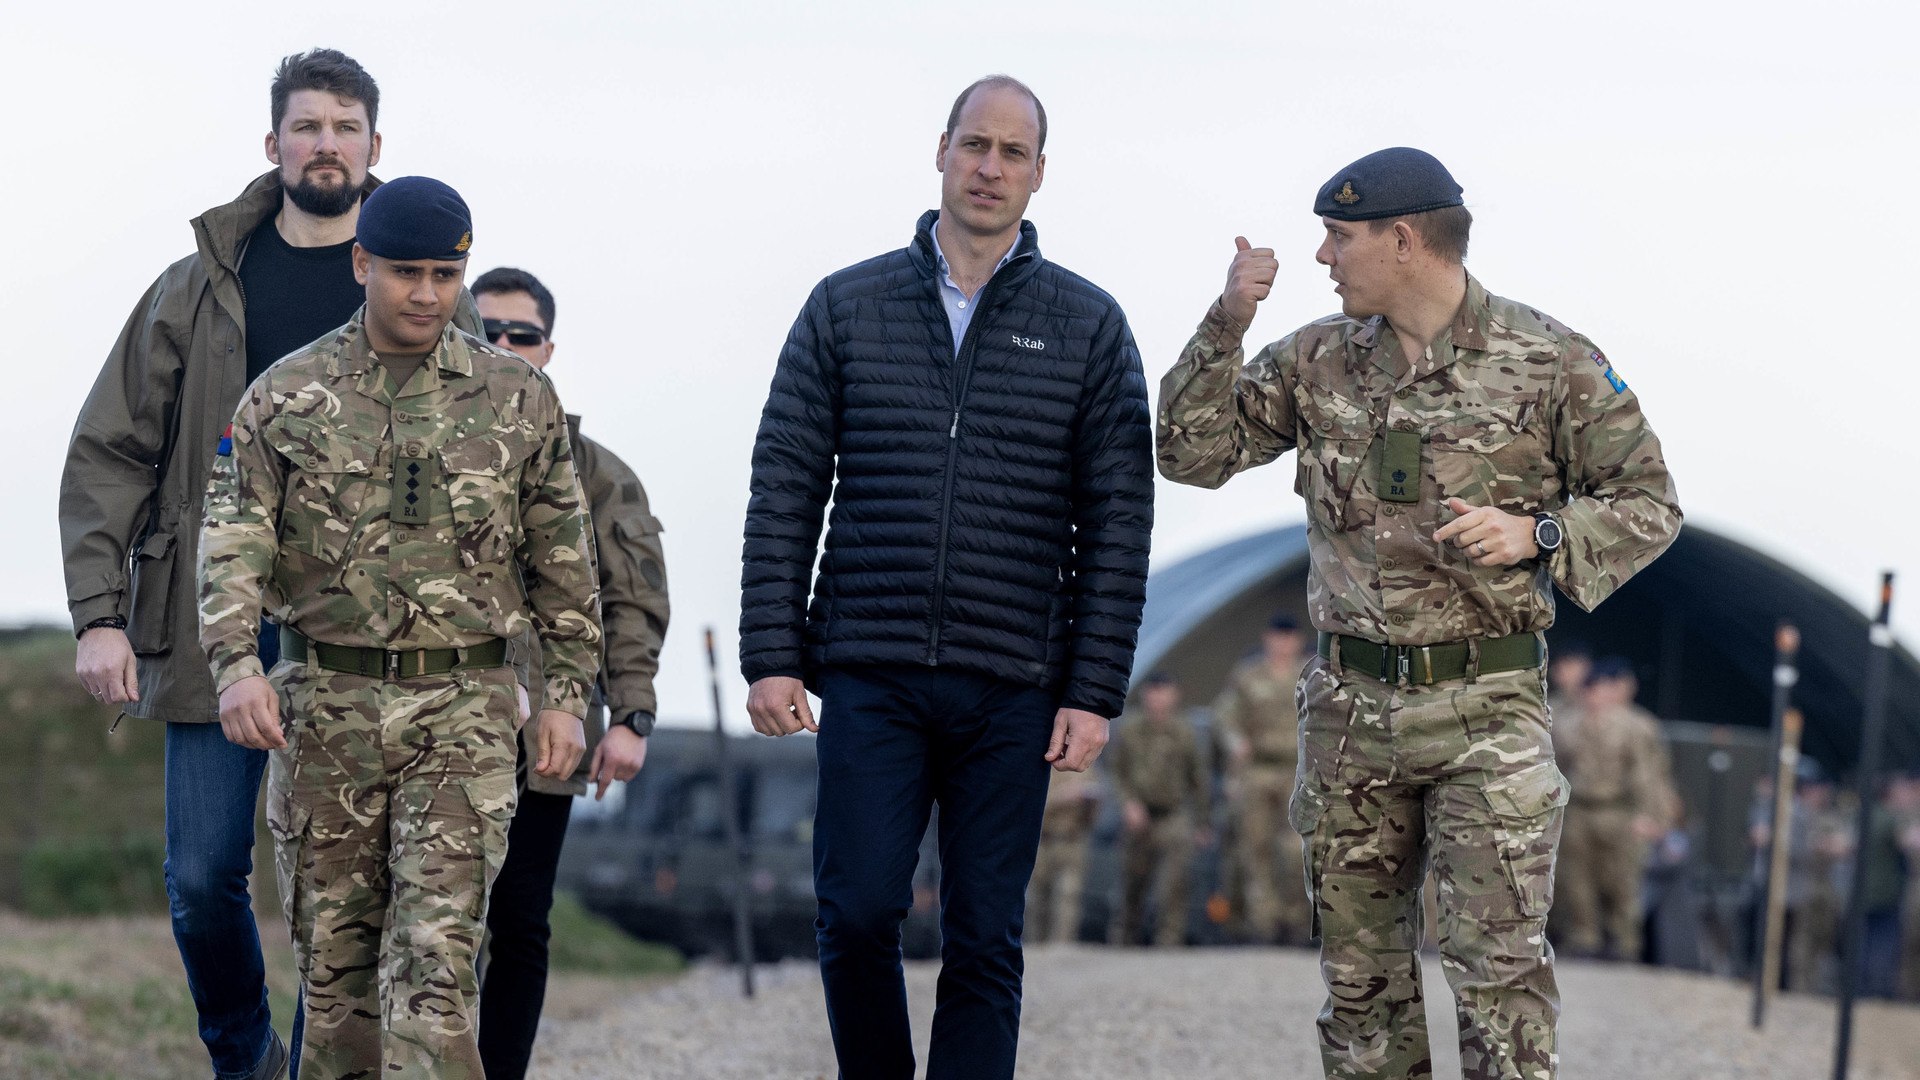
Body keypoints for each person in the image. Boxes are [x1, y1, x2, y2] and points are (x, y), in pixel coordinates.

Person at [1156, 147, 1681, 1079]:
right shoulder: (1316, 358)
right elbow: (1189, 452)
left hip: (1489, 709)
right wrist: (1228, 322)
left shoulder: (1547, 358)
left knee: (1498, 979)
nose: (1323, 256)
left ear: (1404, 240)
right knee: (1361, 987)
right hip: (1351, 710)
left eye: (1340, 236)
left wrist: (1541, 535)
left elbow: (1649, 503)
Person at [739, 74, 1153, 1080]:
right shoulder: (847, 306)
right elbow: (786, 483)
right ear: (941, 150)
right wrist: (772, 655)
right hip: (871, 669)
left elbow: (1118, 523)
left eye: (1014, 153)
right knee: (860, 906)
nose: (990, 167)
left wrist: (1094, 693)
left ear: (1040, 174)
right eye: (976, 144)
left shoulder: (1088, 326)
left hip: (1011, 682)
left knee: (983, 933)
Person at [197, 176, 601, 1078]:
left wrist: (566, 699)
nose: (424, 294)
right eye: (403, 272)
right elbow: (230, 541)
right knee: (335, 988)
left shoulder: (516, 401)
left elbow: (564, 566)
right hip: (325, 712)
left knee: (436, 970)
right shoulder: (285, 397)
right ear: (360, 264)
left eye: (442, 274)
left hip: (464, 710)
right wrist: (234, 667)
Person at [60, 48, 399, 1080]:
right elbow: (109, 448)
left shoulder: (415, 281)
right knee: (204, 878)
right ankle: (246, 1063)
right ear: (274, 145)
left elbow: (492, 479)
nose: (325, 145)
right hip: (215, 615)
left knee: (342, 891)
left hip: (359, 628)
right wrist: (99, 615)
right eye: (307, 126)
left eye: (344, 128)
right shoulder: (198, 286)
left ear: (374, 147)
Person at [467, 266, 671, 1079]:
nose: (506, 348)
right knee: (418, 919)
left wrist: (630, 717)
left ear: (548, 348)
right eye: (488, 332)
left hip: (542, 737)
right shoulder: (405, 441)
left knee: (518, 921)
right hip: (421, 724)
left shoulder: (600, 474)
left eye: (522, 335)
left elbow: (634, 601)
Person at [1554, 657, 1674, 959]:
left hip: (1620, 810)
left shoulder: (1634, 726)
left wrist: (1651, 816)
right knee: (1577, 878)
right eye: (1590, 689)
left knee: (1622, 880)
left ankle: (1625, 943)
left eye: (1601, 688)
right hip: (1579, 808)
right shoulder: (1568, 724)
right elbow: (1558, 765)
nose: (1596, 695)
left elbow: (1647, 775)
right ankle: (1585, 937)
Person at [1213, 613, 1312, 944]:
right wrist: (1235, 742)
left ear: (1297, 640)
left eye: (1289, 637)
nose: (1283, 644)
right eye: (1277, 637)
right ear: (1267, 639)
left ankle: (1297, 922)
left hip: (1298, 771)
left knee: (1297, 848)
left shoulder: (1310, 673)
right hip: (1257, 770)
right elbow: (1225, 716)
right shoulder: (1248, 675)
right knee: (1256, 848)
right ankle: (1264, 926)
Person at [1109, 672, 1209, 947]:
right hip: (1138, 817)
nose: (1158, 698)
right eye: (1153, 692)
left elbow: (1197, 778)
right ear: (1145, 695)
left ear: (1174, 695)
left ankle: (1168, 944)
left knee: (1173, 885)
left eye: (1164, 691)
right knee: (1132, 885)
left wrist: (1202, 822)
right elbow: (1117, 772)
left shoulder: (1185, 731)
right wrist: (1128, 803)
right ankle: (1122, 943)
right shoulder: (1129, 729)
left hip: (1173, 816)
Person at [1025, 767, 1100, 944]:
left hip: (1072, 840)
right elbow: (1029, 804)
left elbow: (1096, 802)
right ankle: (1036, 947)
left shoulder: (1084, 763)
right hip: (1044, 841)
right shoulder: (1038, 763)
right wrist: (1062, 796)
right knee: (1039, 900)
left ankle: (1062, 945)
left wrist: (1090, 802)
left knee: (1069, 894)